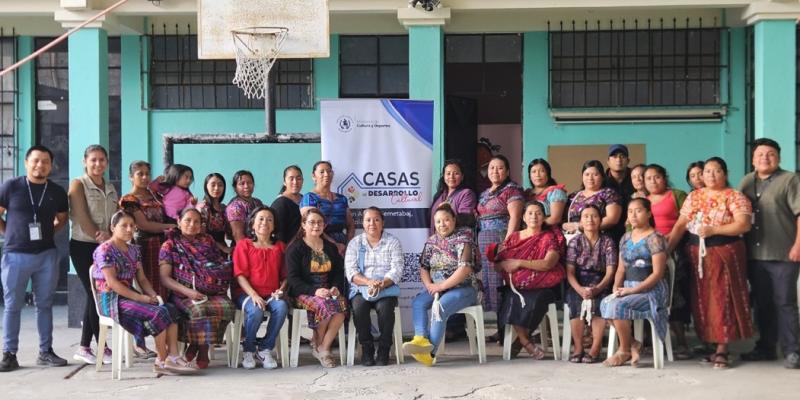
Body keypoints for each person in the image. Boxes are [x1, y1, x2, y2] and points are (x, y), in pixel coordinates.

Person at [668, 157, 753, 369]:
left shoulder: (735, 196)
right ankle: (710, 343)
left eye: (716, 171)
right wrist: (666, 251)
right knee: (702, 299)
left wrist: (714, 230)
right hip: (696, 253)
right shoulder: (694, 197)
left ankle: (723, 347)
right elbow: (680, 226)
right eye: (707, 171)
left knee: (723, 298)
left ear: (725, 173)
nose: (711, 175)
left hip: (724, 251)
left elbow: (743, 225)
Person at [91, 210, 196, 375]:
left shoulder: (134, 250)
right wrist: (141, 298)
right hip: (111, 299)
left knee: (170, 309)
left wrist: (153, 295)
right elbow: (112, 283)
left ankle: (173, 356)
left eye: (132, 226)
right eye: (124, 225)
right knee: (158, 313)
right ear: (112, 227)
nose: (129, 229)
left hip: (129, 295)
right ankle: (161, 361)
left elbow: (142, 279)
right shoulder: (105, 250)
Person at [0, 145, 69, 372]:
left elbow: (61, 218)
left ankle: (45, 351)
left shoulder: (57, 191)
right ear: (27, 162)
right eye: (36, 160)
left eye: (45, 161)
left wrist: (49, 233)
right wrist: (8, 232)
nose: (40, 165)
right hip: (15, 255)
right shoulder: (12, 186)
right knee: (12, 306)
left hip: (46, 255)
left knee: (45, 305)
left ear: (51, 165)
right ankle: (9, 354)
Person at [737, 138, 800, 369]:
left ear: (779, 157)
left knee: (785, 302)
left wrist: (798, 245)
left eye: (770, 153)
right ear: (753, 159)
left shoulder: (790, 180)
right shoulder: (746, 181)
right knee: (762, 303)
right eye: (760, 154)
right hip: (754, 255)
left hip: (783, 253)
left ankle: (792, 350)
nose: (765, 157)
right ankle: (765, 347)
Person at [403, 203, 481, 366]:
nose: (442, 224)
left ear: (454, 220)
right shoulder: (431, 242)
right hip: (438, 288)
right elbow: (423, 267)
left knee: (440, 306)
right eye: (438, 221)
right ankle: (421, 339)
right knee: (418, 302)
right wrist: (429, 285)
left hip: (463, 288)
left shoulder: (464, 239)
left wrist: (441, 286)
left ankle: (429, 354)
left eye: (446, 220)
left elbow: (465, 269)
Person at [159, 208, 235, 369]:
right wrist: (189, 292)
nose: (192, 225)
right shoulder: (170, 245)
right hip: (182, 293)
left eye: (196, 222)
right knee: (200, 309)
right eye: (188, 220)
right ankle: (203, 350)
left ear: (201, 225)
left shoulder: (207, 241)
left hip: (211, 290)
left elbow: (217, 266)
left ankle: (196, 344)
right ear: (179, 222)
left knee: (227, 306)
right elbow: (165, 278)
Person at [489, 201, 566, 360]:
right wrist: (503, 264)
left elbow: (548, 264)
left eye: (538, 213)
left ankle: (521, 341)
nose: (534, 216)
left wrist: (519, 263)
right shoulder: (514, 238)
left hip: (544, 286)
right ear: (523, 217)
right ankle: (525, 340)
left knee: (535, 300)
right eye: (530, 213)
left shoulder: (548, 237)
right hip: (517, 286)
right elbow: (497, 265)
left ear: (544, 217)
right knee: (511, 298)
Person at [600, 198, 669, 367]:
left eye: (638, 211)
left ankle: (623, 350)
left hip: (650, 290)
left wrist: (633, 290)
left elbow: (658, 273)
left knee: (617, 306)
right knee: (605, 303)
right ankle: (633, 343)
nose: (633, 215)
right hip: (628, 288)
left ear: (648, 213)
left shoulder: (655, 238)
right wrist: (616, 287)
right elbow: (621, 269)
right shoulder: (625, 238)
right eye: (630, 211)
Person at [120, 161, 177, 357]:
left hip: (163, 246)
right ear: (131, 177)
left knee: (165, 291)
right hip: (144, 247)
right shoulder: (129, 200)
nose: (144, 177)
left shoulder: (155, 194)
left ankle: (166, 342)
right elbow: (143, 225)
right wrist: (173, 226)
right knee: (149, 292)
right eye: (139, 174)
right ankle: (140, 342)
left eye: (146, 174)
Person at [68, 145, 118, 365]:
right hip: (83, 246)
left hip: (104, 248)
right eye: (93, 160)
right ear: (85, 161)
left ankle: (85, 347)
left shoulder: (110, 187)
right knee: (94, 294)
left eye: (102, 160)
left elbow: (114, 217)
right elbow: (80, 216)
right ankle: (100, 347)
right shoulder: (78, 184)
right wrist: (102, 237)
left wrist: (112, 236)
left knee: (97, 295)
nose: (98, 164)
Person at [286, 208, 348, 368]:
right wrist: (315, 291)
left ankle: (322, 347)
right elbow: (293, 280)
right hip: (304, 292)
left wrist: (335, 287)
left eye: (320, 222)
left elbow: (338, 272)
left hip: (327, 291)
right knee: (325, 306)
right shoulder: (295, 248)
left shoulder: (330, 247)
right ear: (303, 225)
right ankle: (323, 350)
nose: (316, 226)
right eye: (312, 222)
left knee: (341, 308)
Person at [344, 207, 403, 366]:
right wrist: (369, 282)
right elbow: (351, 272)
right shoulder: (355, 243)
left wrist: (381, 284)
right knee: (358, 307)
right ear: (362, 223)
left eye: (376, 220)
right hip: (361, 287)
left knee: (385, 308)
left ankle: (384, 349)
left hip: (385, 287)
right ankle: (367, 348)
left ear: (383, 222)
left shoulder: (392, 242)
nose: (372, 223)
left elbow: (397, 270)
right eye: (368, 220)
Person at [232, 206, 289, 370]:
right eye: (261, 219)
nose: (265, 222)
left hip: (272, 294)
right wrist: (254, 295)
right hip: (246, 293)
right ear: (253, 224)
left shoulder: (280, 247)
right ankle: (249, 348)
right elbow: (240, 275)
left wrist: (281, 290)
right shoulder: (244, 245)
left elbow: (285, 275)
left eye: (269, 219)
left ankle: (264, 348)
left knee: (282, 306)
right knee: (256, 310)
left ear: (274, 226)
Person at [646, 164, 692, 359]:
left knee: (675, 296)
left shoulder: (677, 195)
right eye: (648, 178)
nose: (653, 181)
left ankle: (682, 342)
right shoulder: (643, 201)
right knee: (651, 294)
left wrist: (668, 246)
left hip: (676, 250)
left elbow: (686, 221)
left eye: (657, 177)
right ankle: (653, 341)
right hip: (650, 253)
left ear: (665, 178)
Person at [476, 154, 524, 340]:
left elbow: (515, 217)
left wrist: (507, 243)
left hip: (501, 239)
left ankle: (509, 332)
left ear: (508, 171)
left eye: (500, 167)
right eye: (491, 168)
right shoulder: (485, 193)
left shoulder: (512, 190)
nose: (495, 171)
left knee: (503, 283)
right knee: (491, 284)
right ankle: (501, 329)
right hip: (484, 241)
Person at [564, 205, 616, 363]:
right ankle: (578, 347)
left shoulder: (608, 241)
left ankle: (595, 347)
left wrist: (598, 288)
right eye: (585, 216)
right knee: (574, 302)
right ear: (580, 221)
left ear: (600, 220)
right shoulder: (575, 242)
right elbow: (570, 272)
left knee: (600, 303)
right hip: (578, 283)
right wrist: (580, 289)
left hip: (601, 282)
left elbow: (610, 271)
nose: (590, 220)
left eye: (594, 216)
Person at [300, 161, 354, 255]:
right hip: (319, 244)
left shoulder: (342, 199)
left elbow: (351, 225)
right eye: (322, 172)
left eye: (329, 171)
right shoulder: (309, 198)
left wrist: (349, 246)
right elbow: (311, 227)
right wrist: (334, 245)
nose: (326, 174)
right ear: (313, 176)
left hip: (343, 246)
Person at [563, 160, 622, 240]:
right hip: (573, 239)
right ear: (582, 177)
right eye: (587, 174)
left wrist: (580, 227)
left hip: (600, 238)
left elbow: (612, 219)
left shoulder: (609, 194)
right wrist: (564, 225)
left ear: (602, 177)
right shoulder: (573, 196)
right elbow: (563, 219)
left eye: (595, 174)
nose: (590, 178)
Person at [430, 159, 477, 234]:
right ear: (444, 176)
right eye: (448, 173)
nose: (451, 176)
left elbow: (466, 219)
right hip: (437, 240)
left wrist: (447, 211)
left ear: (462, 176)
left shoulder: (466, 194)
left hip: (457, 239)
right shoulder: (439, 196)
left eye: (456, 173)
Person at [524, 158, 567, 226]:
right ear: (529, 175)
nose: (537, 175)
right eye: (534, 171)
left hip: (548, 232)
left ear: (548, 174)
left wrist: (534, 225)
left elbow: (555, 219)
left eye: (542, 171)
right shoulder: (526, 193)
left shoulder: (555, 192)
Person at [196, 173, 231, 255]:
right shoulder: (203, 207)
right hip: (206, 250)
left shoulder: (224, 208)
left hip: (223, 250)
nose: (216, 188)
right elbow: (201, 235)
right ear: (206, 187)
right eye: (213, 185)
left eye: (220, 185)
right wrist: (223, 248)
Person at [605, 145, 634, 242]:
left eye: (622, 156)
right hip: (607, 232)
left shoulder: (636, 179)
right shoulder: (602, 182)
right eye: (614, 156)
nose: (619, 160)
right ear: (608, 161)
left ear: (628, 160)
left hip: (634, 230)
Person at [227, 170, 264, 245]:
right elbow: (238, 236)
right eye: (242, 184)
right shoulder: (235, 207)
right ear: (235, 187)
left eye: (249, 183)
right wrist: (247, 252)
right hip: (245, 249)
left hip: (259, 246)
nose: (246, 186)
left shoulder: (257, 202)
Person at [271, 165, 304, 243]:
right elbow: (278, 235)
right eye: (291, 178)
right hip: (288, 250)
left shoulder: (305, 199)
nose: (295, 182)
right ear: (284, 182)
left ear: (303, 180)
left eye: (298, 178)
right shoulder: (280, 204)